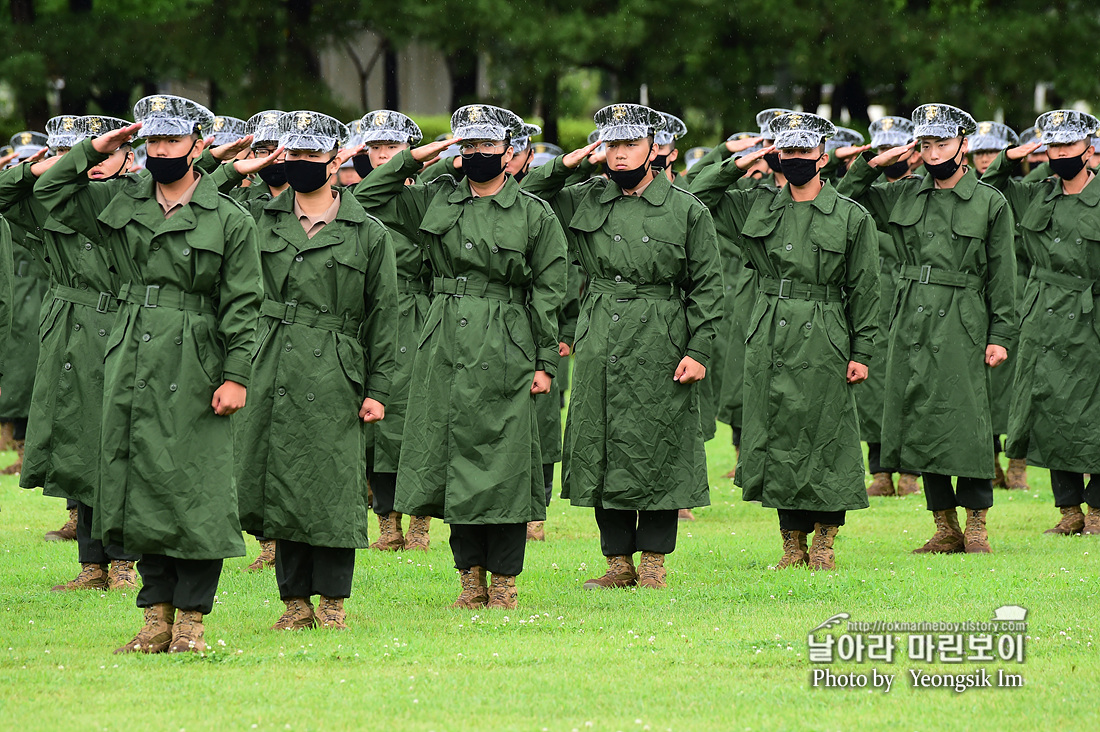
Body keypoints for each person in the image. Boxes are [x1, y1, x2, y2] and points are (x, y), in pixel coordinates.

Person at [35, 94, 264, 653]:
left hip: (198, 358)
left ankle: (191, 621)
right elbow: (46, 192)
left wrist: (235, 375)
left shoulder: (228, 217)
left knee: (195, 488)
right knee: (139, 485)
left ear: (198, 146)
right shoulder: (120, 199)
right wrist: (94, 147)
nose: (160, 150)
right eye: (152, 140)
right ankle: (155, 616)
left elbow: (243, 304)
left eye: (171, 140)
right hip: (132, 354)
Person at [356, 104, 567, 609]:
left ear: (510, 152)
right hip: (445, 336)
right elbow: (368, 196)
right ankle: (469, 581)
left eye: (485, 146)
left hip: (508, 339)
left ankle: (506, 583)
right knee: (452, 459)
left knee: (504, 463)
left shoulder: (534, 214)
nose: (475, 155)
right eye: (467, 145)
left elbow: (549, 291)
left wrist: (544, 363)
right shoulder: (436, 200)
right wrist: (416, 157)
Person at [523, 103, 722, 589]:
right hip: (600, 333)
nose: (619, 154)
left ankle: (653, 562)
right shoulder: (584, 197)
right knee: (600, 441)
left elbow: (710, 288)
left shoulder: (686, 208)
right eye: (611, 144)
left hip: (662, 334)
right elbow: (525, 197)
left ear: (655, 148)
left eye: (629, 144)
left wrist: (698, 351)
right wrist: (567, 164)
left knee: (660, 443)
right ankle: (617, 562)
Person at [691, 111, 879, 570]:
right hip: (769, 329)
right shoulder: (756, 205)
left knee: (826, 435)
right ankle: (791, 542)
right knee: (778, 436)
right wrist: (737, 162)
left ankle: (825, 543)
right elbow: (694, 196)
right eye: (787, 151)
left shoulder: (851, 216)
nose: (795, 159)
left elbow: (867, 290)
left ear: (822, 156)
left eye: (804, 151)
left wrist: (863, 352)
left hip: (827, 330)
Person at [234, 110, 397, 630]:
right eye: (294, 154)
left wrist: (379, 390)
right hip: (273, 362)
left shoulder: (367, 233)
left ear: (335, 161)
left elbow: (384, 317)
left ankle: (332, 603)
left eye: (311, 155)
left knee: (331, 482)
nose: (301, 164)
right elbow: (206, 205)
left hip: (336, 371)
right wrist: (239, 166)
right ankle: (294, 603)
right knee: (280, 481)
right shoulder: (258, 220)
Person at [838, 103, 1016, 555]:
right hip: (911, 317)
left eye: (942, 142)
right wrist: (872, 163)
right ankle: (944, 525)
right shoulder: (903, 194)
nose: (934, 152)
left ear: (964, 143)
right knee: (922, 417)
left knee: (969, 420)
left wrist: (1001, 335)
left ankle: (976, 525)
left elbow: (1003, 275)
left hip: (965, 317)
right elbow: (844, 202)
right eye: (926, 144)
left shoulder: (989, 202)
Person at [1, 115, 142, 591]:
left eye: (106, 154)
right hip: (67, 335)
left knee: (120, 448)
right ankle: (92, 565)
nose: (96, 164)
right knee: (79, 449)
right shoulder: (52, 202)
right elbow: (3, 195)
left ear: (128, 154)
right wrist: (44, 168)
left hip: (125, 326)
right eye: (85, 155)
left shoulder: (144, 197)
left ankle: (124, 562)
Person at [981, 109, 1100, 535]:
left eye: (1068, 145)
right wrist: (1011, 157)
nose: (1061, 153)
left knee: (1093, 413)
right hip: (1042, 315)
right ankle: (1069, 512)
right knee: (1050, 409)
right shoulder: (1038, 194)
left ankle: (1099, 512)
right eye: (1054, 146)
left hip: (1091, 318)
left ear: (1089, 148)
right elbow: (985, 191)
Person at [347, 109, 437, 552]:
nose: (382, 155)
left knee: (419, 418)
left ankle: (419, 522)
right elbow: (366, 194)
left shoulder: (432, 194)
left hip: (423, 313)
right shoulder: (356, 198)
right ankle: (387, 523)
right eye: (375, 147)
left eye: (392, 148)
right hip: (377, 314)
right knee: (376, 426)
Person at [835, 116, 923, 498]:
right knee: (873, 391)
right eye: (882, 148)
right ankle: (881, 470)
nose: (891, 156)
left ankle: (912, 471)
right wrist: (868, 165)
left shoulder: (921, 191)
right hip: (875, 296)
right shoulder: (873, 194)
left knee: (913, 384)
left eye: (895, 149)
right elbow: (843, 199)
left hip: (915, 296)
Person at [969, 121, 1029, 491]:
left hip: (1028, 292)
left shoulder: (1027, 190)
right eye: (979, 152)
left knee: (1021, 385)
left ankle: (1019, 462)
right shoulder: (982, 193)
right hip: (987, 294)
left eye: (993, 152)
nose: (985, 158)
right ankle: (989, 457)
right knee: (988, 384)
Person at [0, 131, 50, 477]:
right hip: (15, 297)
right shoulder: (11, 201)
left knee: (35, 377)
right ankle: (18, 446)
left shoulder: (50, 198)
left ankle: (28, 449)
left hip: (42, 297)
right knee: (16, 376)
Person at [653, 112, 687, 183]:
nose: (653, 152)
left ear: (673, 155)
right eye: (651, 148)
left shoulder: (686, 191)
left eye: (659, 148)